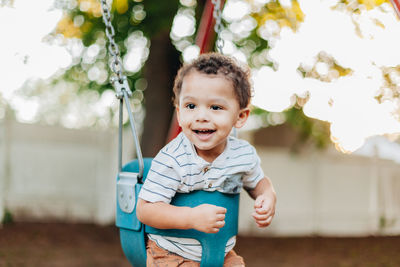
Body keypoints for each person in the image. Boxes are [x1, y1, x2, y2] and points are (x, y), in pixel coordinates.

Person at [136, 52, 276, 266]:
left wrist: (267, 194)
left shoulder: (242, 155)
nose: (201, 116)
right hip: (170, 254)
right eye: (191, 106)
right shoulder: (172, 159)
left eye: (215, 107)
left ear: (240, 117)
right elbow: (145, 210)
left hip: (220, 252)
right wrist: (190, 218)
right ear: (179, 113)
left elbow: (257, 182)